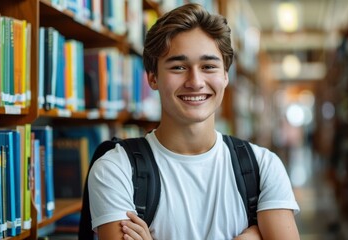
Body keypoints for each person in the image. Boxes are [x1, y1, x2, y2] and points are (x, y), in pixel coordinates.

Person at [88, 3, 300, 240]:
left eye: (209, 66)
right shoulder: (115, 170)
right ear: (153, 78)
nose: (195, 81)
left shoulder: (263, 167)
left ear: (225, 76)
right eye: (178, 67)